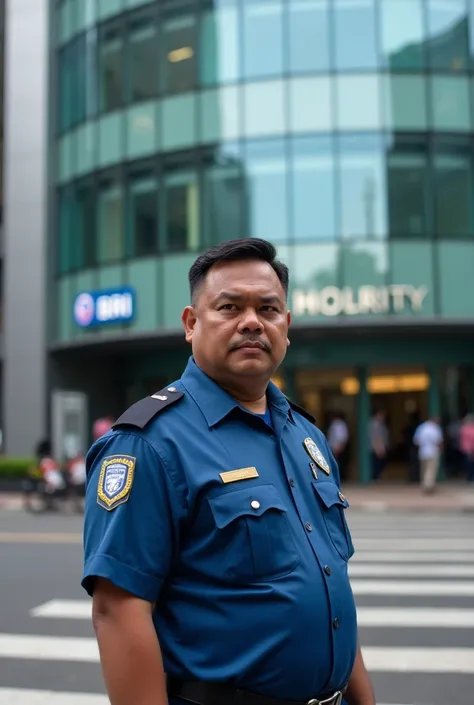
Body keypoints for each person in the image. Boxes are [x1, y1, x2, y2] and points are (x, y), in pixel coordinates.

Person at [81, 238, 375, 705]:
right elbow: (118, 611)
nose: (253, 322)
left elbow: (329, 580)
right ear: (191, 324)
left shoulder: (307, 437)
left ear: (287, 326)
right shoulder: (148, 443)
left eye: (269, 309)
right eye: (230, 307)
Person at [413, 415, 443, 493]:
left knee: (424, 470)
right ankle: (428, 486)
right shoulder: (435, 428)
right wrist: (441, 449)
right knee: (431, 470)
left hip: (422, 452)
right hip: (433, 451)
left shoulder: (421, 428)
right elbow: (439, 441)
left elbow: (416, 441)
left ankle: (424, 485)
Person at [368, 409, 389, 481]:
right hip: (376, 448)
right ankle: (375, 476)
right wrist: (378, 448)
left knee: (379, 462)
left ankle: (376, 476)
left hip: (378, 447)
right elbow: (376, 437)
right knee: (376, 463)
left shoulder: (380, 424)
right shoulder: (374, 424)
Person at [459, 414, 474, 484]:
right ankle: (470, 477)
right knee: (469, 463)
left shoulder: (463, 429)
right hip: (469, 449)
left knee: (469, 463)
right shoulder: (465, 429)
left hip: (467, 448)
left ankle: (470, 476)